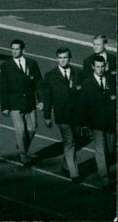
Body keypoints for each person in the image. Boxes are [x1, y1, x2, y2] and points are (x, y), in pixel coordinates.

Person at [0, 39, 44, 166]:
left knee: (32, 129)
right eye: (12, 49)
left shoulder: (32, 63)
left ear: (23, 50)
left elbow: (38, 83)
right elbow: (3, 88)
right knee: (20, 131)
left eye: (17, 49)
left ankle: (21, 145)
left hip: (30, 103)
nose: (14, 51)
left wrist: (41, 100)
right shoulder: (6, 66)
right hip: (15, 104)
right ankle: (23, 156)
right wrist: (5, 107)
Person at [42, 47, 81, 183]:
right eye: (60, 57)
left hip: (77, 115)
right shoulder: (50, 76)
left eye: (65, 57)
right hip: (62, 115)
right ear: (57, 58)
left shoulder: (78, 73)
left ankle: (66, 165)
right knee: (70, 141)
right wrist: (47, 116)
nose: (63, 60)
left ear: (70, 58)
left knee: (73, 141)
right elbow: (47, 98)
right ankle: (74, 173)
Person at [77, 55, 116, 189]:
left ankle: (106, 170)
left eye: (102, 66)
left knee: (110, 150)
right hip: (96, 123)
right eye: (97, 67)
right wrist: (84, 124)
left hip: (110, 122)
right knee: (100, 150)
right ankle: (104, 177)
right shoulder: (87, 83)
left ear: (105, 66)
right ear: (93, 67)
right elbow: (83, 105)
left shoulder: (111, 81)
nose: (100, 69)